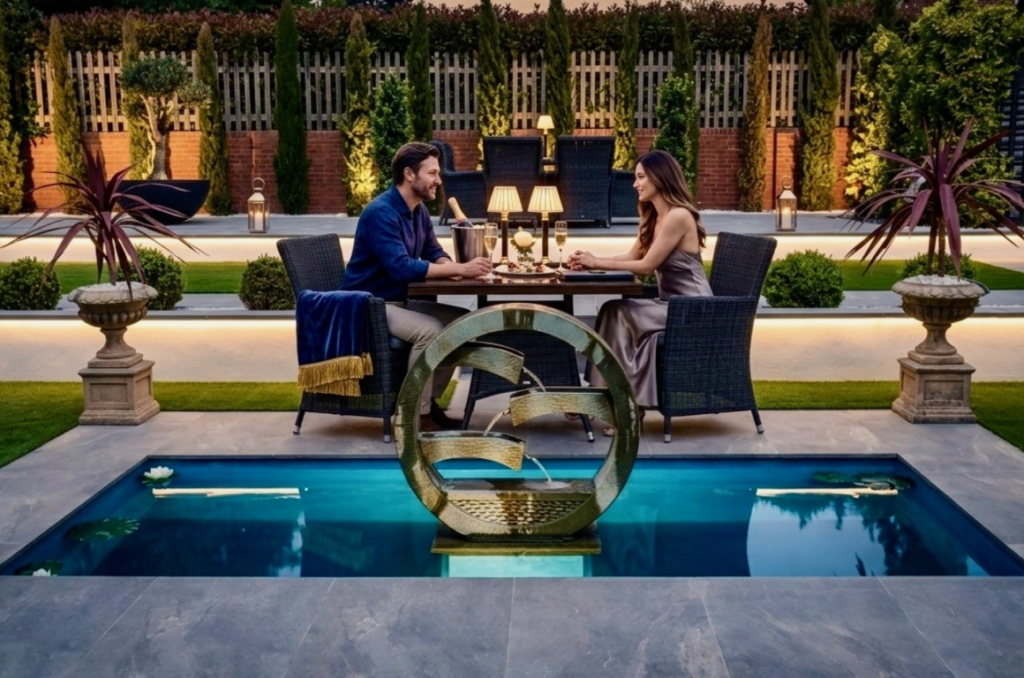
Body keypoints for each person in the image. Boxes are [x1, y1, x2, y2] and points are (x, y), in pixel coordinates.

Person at [343, 142, 491, 431]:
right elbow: (400, 267)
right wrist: (459, 268)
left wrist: (451, 268)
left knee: (461, 324)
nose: (438, 180)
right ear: (409, 174)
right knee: (430, 330)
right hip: (370, 304)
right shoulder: (381, 213)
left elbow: (432, 250)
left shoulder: (418, 210)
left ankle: (429, 402)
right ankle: (414, 415)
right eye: (432, 173)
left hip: (398, 301)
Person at [567, 150, 712, 434]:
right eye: (636, 177)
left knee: (620, 313)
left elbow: (646, 267)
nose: (635, 184)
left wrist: (595, 263)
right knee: (612, 309)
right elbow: (631, 255)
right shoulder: (654, 216)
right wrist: (592, 258)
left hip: (692, 308)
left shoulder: (678, 216)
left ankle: (626, 407)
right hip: (668, 304)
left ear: (660, 177)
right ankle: (608, 398)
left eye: (641, 177)